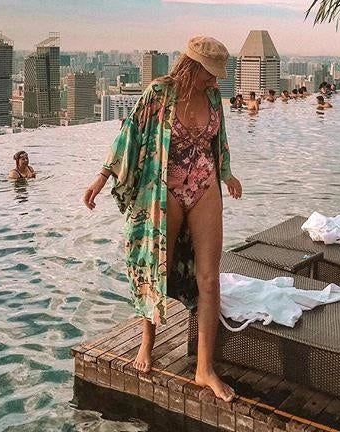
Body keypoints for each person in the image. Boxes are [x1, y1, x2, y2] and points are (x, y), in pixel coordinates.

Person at [82, 35, 242, 402]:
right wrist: (101, 178)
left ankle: (205, 369)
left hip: (204, 186)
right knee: (157, 268)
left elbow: (219, 141)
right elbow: (130, 133)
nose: (214, 80)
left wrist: (228, 174)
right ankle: (147, 342)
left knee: (209, 279)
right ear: (192, 67)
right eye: (209, 73)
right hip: (164, 187)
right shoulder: (159, 92)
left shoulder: (213, 97)